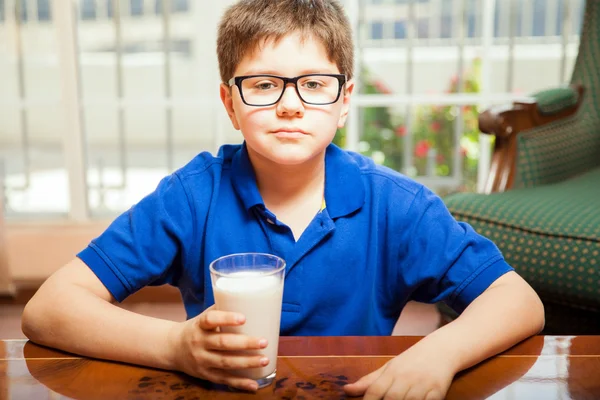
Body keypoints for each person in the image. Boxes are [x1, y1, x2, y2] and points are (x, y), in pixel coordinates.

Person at [22, 0, 545, 398]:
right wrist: (174, 346)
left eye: (315, 85)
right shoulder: (192, 195)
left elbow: (518, 301)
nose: (291, 105)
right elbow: (49, 309)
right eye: (265, 84)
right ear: (230, 103)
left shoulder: (396, 205)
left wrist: (439, 354)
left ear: (343, 102)